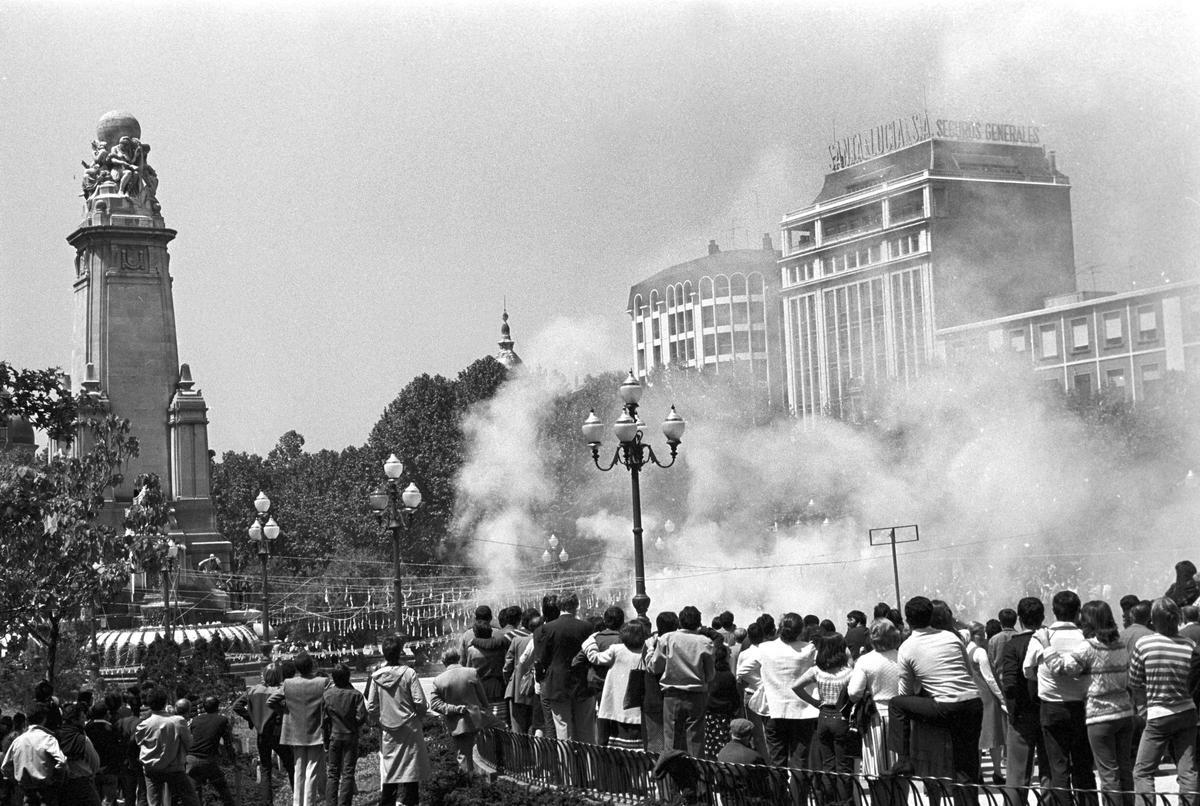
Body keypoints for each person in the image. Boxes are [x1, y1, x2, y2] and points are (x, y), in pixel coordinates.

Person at [1044, 600, 1134, 806]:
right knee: (1124, 770)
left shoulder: (1089, 647)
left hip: (1100, 717)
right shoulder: (1120, 644)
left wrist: (1046, 645)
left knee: (1108, 773)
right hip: (1125, 713)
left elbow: (1061, 667)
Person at [886, 596, 983, 784]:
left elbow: (905, 693)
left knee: (896, 704)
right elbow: (968, 673)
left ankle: (904, 759)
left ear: (908, 620)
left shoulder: (907, 647)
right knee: (966, 769)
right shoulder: (951, 638)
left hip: (945, 706)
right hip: (973, 703)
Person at [1023, 590, 1095, 806]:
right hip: (1082, 707)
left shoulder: (1042, 637)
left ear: (1053, 611)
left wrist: (1044, 677)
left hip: (1052, 708)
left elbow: (1027, 670)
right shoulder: (1086, 637)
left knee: (1058, 768)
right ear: (1078, 611)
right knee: (1084, 765)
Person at [1128, 597, 1197, 801]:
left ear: (1153, 619)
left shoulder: (1145, 644)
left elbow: (1134, 681)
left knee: (1143, 771)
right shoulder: (1189, 644)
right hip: (1187, 712)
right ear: (1178, 618)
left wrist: (1142, 709)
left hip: (1159, 714)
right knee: (1188, 770)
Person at [367, 636, 430, 806]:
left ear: (384, 653)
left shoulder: (375, 677)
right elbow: (420, 703)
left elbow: (371, 707)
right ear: (401, 652)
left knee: (390, 771)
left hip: (388, 730)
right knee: (411, 771)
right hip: (410, 729)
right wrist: (421, 714)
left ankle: (387, 802)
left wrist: (381, 721)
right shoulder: (409, 673)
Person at [795, 632, 855, 806]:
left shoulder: (816, 671)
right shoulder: (848, 673)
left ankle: (828, 801)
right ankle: (844, 801)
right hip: (841, 718)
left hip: (823, 717)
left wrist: (814, 702)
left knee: (828, 764)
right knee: (843, 765)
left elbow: (796, 686)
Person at [650, 605, 716, 757]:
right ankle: (696, 776)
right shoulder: (705, 642)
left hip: (672, 695)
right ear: (699, 623)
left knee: (671, 740)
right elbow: (710, 675)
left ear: (680, 621)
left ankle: (672, 776)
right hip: (697, 696)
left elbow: (656, 667)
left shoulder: (667, 638)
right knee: (695, 741)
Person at [999, 596, 1050, 792]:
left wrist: (1012, 711)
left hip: (1022, 715)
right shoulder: (1048, 642)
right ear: (1043, 617)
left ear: (1020, 619)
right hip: (1047, 710)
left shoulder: (1013, 645)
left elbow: (1009, 684)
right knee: (1049, 771)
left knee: (1017, 775)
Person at [757, 612, 819, 769]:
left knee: (777, 762)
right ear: (800, 631)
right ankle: (798, 794)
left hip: (774, 709)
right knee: (800, 762)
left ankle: (779, 794)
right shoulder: (809, 649)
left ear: (779, 628)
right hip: (803, 711)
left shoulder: (764, 648)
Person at [269, 650, 330, 806]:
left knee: (299, 769)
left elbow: (271, 701)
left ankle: (298, 803)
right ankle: (309, 802)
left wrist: (285, 711)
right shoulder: (322, 682)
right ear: (311, 666)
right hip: (316, 729)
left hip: (295, 730)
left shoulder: (289, 683)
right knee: (312, 770)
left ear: (297, 668)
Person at [535, 591, 596, 743]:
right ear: (577, 606)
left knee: (563, 732)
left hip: (557, 685)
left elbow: (541, 660)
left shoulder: (546, 629)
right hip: (583, 685)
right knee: (586, 733)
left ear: (559, 606)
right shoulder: (587, 627)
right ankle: (589, 766)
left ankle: (568, 767)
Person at [848, 618, 901, 778]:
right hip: (901, 717)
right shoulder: (902, 657)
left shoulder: (865, 660)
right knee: (900, 771)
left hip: (875, 717)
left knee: (877, 772)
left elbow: (853, 692)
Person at [234, 663, 293, 799]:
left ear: (264, 675)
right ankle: (298, 797)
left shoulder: (254, 690)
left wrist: (252, 718)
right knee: (291, 765)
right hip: (278, 733)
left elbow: (237, 706)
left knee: (266, 769)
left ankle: (267, 802)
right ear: (279, 675)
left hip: (261, 734)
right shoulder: (281, 690)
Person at [134, 687, 200, 806]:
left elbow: (139, 743)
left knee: (154, 802)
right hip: (174, 768)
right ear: (165, 702)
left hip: (151, 769)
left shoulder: (143, 725)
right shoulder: (178, 721)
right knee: (191, 799)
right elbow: (189, 744)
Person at [431, 648, 491, 775]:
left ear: (443, 662)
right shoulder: (472, 672)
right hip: (477, 720)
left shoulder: (439, 680)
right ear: (458, 658)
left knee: (464, 758)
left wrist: (454, 709)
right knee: (483, 757)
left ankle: (468, 787)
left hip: (457, 725)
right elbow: (483, 699)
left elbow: (435, 704)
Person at [588, 621, 647, 750]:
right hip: (637, 708)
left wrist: (591, 641)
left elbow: (595, 657)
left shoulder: (617, 650)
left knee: (617, 749)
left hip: (616, 705)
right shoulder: (646, 651)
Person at [1, 702, 66, 806]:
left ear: (27, 720)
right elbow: (62, 762)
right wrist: (55, 779)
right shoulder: (48, 738)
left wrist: (19, 780)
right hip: (46, 793)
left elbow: (5, 767)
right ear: (44, 719)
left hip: (27, 793)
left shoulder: (18, 741)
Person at [967, 622, 1006, 785]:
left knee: (977, 738)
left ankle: (978, 773)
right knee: (994, 738)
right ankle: (997, 772)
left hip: (974, 696)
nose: (984, 637)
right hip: (987, 698)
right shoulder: (980, 652)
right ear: (975, 634)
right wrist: (1001, 698)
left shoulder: (965, 649)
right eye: (981, 634)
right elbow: (989, 678)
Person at [583, 606, 625, 746]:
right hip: (621, 687)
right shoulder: (624, 639)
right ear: (622, 621)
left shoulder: (595, 639)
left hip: (599, 687)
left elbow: (576, 661)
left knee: (602, 724)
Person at [185, 697, 235, 806]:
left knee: (195, 792)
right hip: (208, 760)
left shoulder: (195, 720)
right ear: (218, 706)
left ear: (204, 707)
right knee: (222, 788)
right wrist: (233, 760)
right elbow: (228, 743)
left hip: (190, 760)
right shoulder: (222, 720)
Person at [642, 611, 677, 754]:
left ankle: (657, 771)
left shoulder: (651, 643)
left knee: (655, 741)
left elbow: (651, 667)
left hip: (653, 697)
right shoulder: (676, 643)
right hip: (669, 698)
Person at [736, 622, 771, 760]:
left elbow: (739, 677)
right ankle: (771, 763)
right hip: (768, 693)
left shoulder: (744, 654)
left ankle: (761, 762)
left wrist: (754, 682)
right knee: (770, 732)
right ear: (762, 635)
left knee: (756, 733)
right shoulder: (768, 651)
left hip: (750, 694)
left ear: (748, 637)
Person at [465, 621, 509, 726]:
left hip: (480, 688)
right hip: (499, 687)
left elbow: (468, 671)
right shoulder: (500, 647)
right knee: (501, 722)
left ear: (476, 634)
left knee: (485, 722)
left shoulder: (472, 650)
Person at [56, 702, 101, 806]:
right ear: (74, 720)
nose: (85, 718)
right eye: (82, 716)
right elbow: (95, 763)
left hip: (62, 786)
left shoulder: (55, 737)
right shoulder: (82, 740)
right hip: (83, 784)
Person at [503, 609, 539, 734]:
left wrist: (511, 681)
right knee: (536, 728)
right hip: (536, 691)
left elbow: (507, 667)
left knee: (518, 731)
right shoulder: (543, 639)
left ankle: (520, 754)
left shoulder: (516, 640)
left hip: (517, 690)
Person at [703, 641, 740, 759]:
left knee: (710, 743)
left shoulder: (708, 673)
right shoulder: (728, 676)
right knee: (723, 744)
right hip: (725, 716)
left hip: (710, 715)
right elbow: (734, 696)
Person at [83, 703, 122, 806]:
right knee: (108, 802)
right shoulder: (113, 728)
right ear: (106, 714)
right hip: (109, 771)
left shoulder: (86, 729)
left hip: (92, 771)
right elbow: (117, 751)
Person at [988, 608, 1019, 673]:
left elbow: (991, 663)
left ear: (1000, 622)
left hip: (1000, 678)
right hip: (1018, 678)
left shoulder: (993, 639)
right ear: (1015, 621)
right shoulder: (1021, 637)